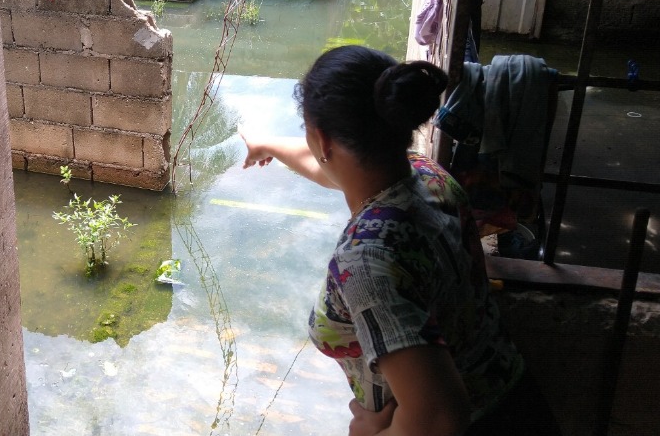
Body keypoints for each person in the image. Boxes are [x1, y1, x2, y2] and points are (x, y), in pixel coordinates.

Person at [240, 45, 560, 436]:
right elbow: (331, 170)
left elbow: (439, 419)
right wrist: (267, 144)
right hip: (519, 401)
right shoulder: (429, 177)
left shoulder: (366, 262)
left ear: (323, 141)